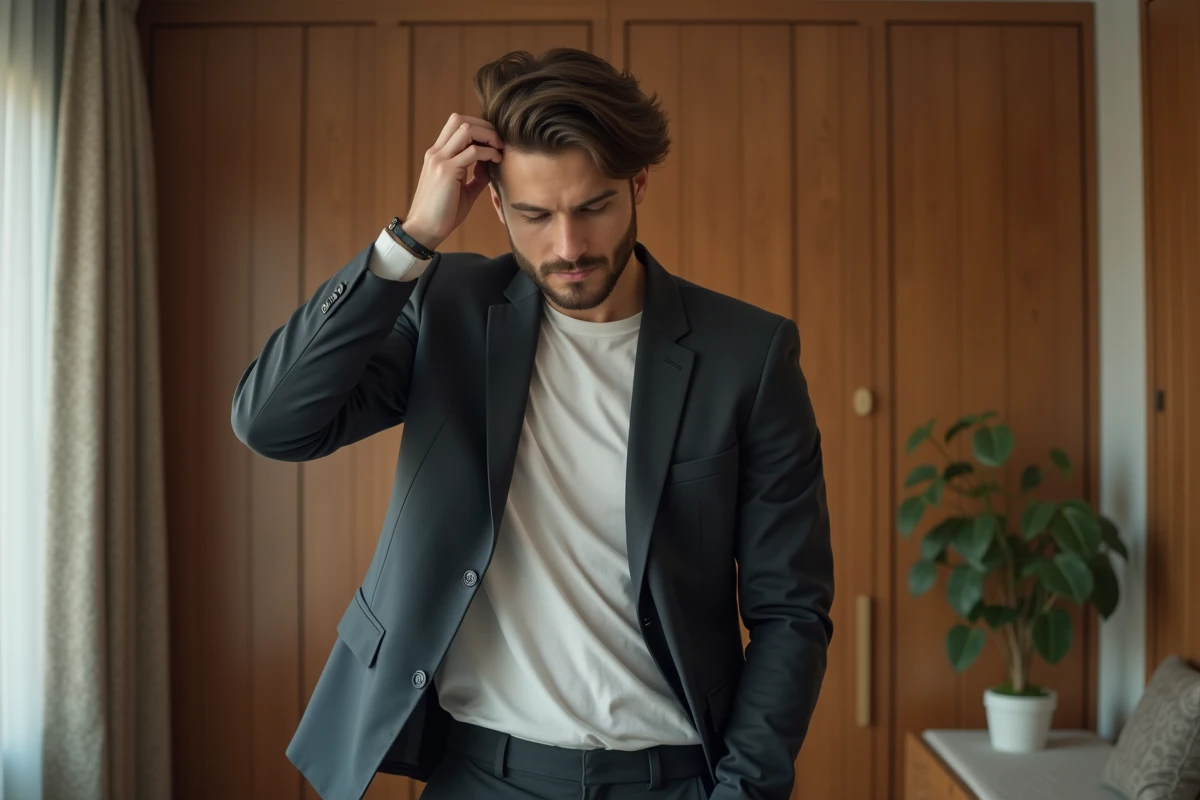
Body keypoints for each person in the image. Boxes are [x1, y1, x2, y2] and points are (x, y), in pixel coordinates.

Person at [231, 47, 833, 800]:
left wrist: (743, 793)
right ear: (494, 203)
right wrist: (411, 238)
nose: (568, 247)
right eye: (535, 215)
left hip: (672, 777)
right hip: (482, 773)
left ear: (638, 183)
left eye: (593, 207)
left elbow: (791, 609)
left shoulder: (747, 352)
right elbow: (273, 422)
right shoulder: (448, 307)